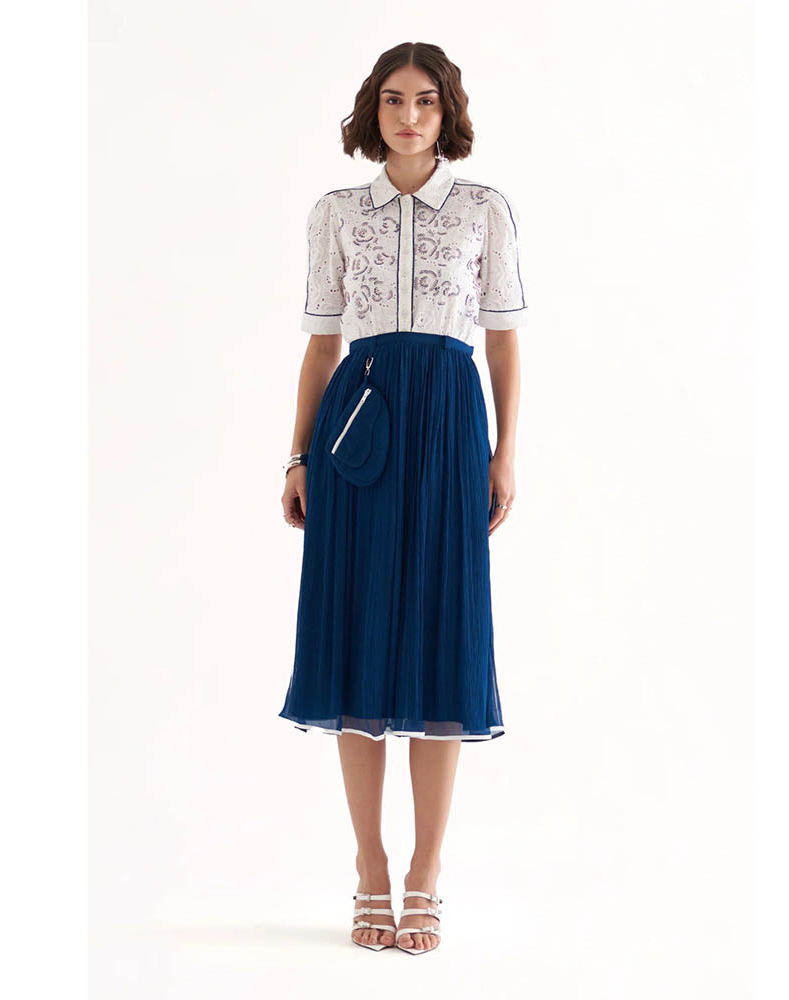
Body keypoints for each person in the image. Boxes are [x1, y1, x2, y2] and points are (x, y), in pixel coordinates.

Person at [278, 41, 528, 954]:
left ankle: (426, 870)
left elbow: (502, 339)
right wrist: (297, 457)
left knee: (440, 636)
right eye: (393, 100)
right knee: (356, 638)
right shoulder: (338, 213)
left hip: (450, 427)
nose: (409, 116)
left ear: (447, 110)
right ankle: (370, 867)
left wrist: (504, 453)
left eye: (425, 100)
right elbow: (321, 345)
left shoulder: (484, 209)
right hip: (358, 432)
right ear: (371, 110)